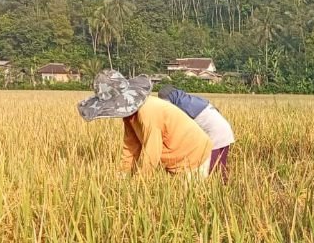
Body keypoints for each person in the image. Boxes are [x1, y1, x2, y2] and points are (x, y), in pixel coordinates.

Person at [77, 71, 212, 178]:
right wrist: (123, 174)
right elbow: (131, 145)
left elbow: (152, 151)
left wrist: (141, 181)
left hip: (194, 157)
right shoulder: (130, 116)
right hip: (173, 159)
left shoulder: (149, 112)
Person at [157, 85, 235, 180]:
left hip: (214, 134)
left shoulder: (181, 107)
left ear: (170, 98)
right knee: (220, 166)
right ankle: (224, 187)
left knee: (211, 168)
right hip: (224, 129)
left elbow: (182, 130)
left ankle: (216, 190)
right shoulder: (190, 100)